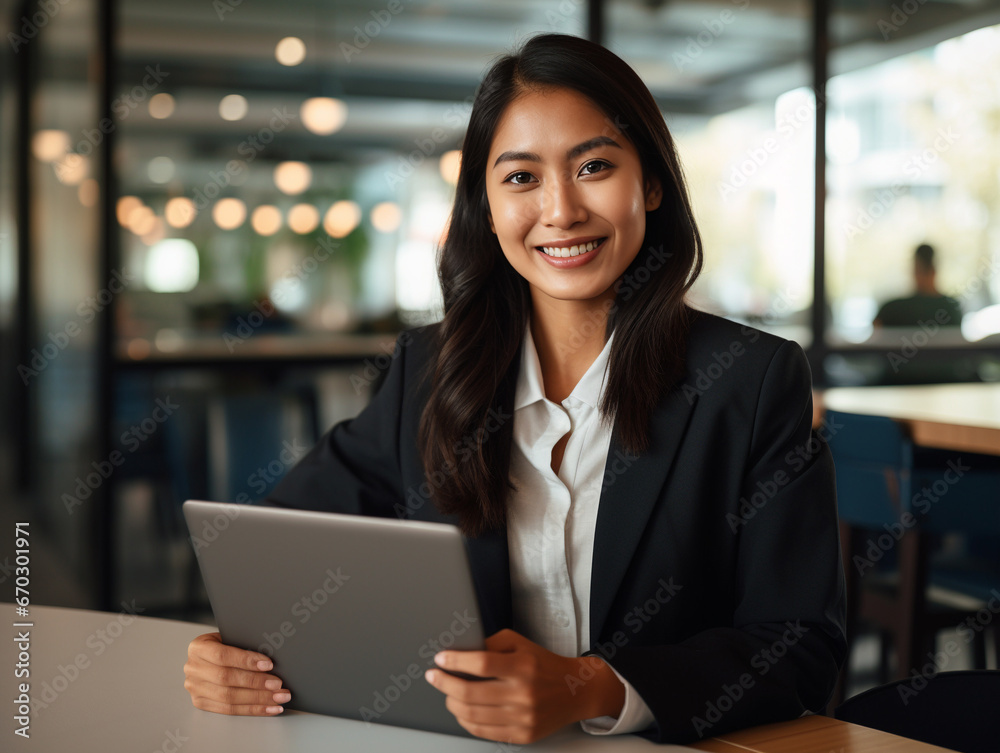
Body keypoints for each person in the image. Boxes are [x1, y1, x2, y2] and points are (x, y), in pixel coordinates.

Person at [183, 33, 846, 745]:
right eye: (521, 178)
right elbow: (278, 551)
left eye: (594, 166)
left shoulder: (749, 381)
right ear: (488, 206)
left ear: (650, 184)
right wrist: (228, 647)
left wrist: (589, 684)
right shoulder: (429, 372)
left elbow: (800, 644)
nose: (560, 210)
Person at [873, 243, 962, 329]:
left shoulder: (892, 309)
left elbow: (874, 339)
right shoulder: (951, 307)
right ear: (935, 270)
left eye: (918, 270)